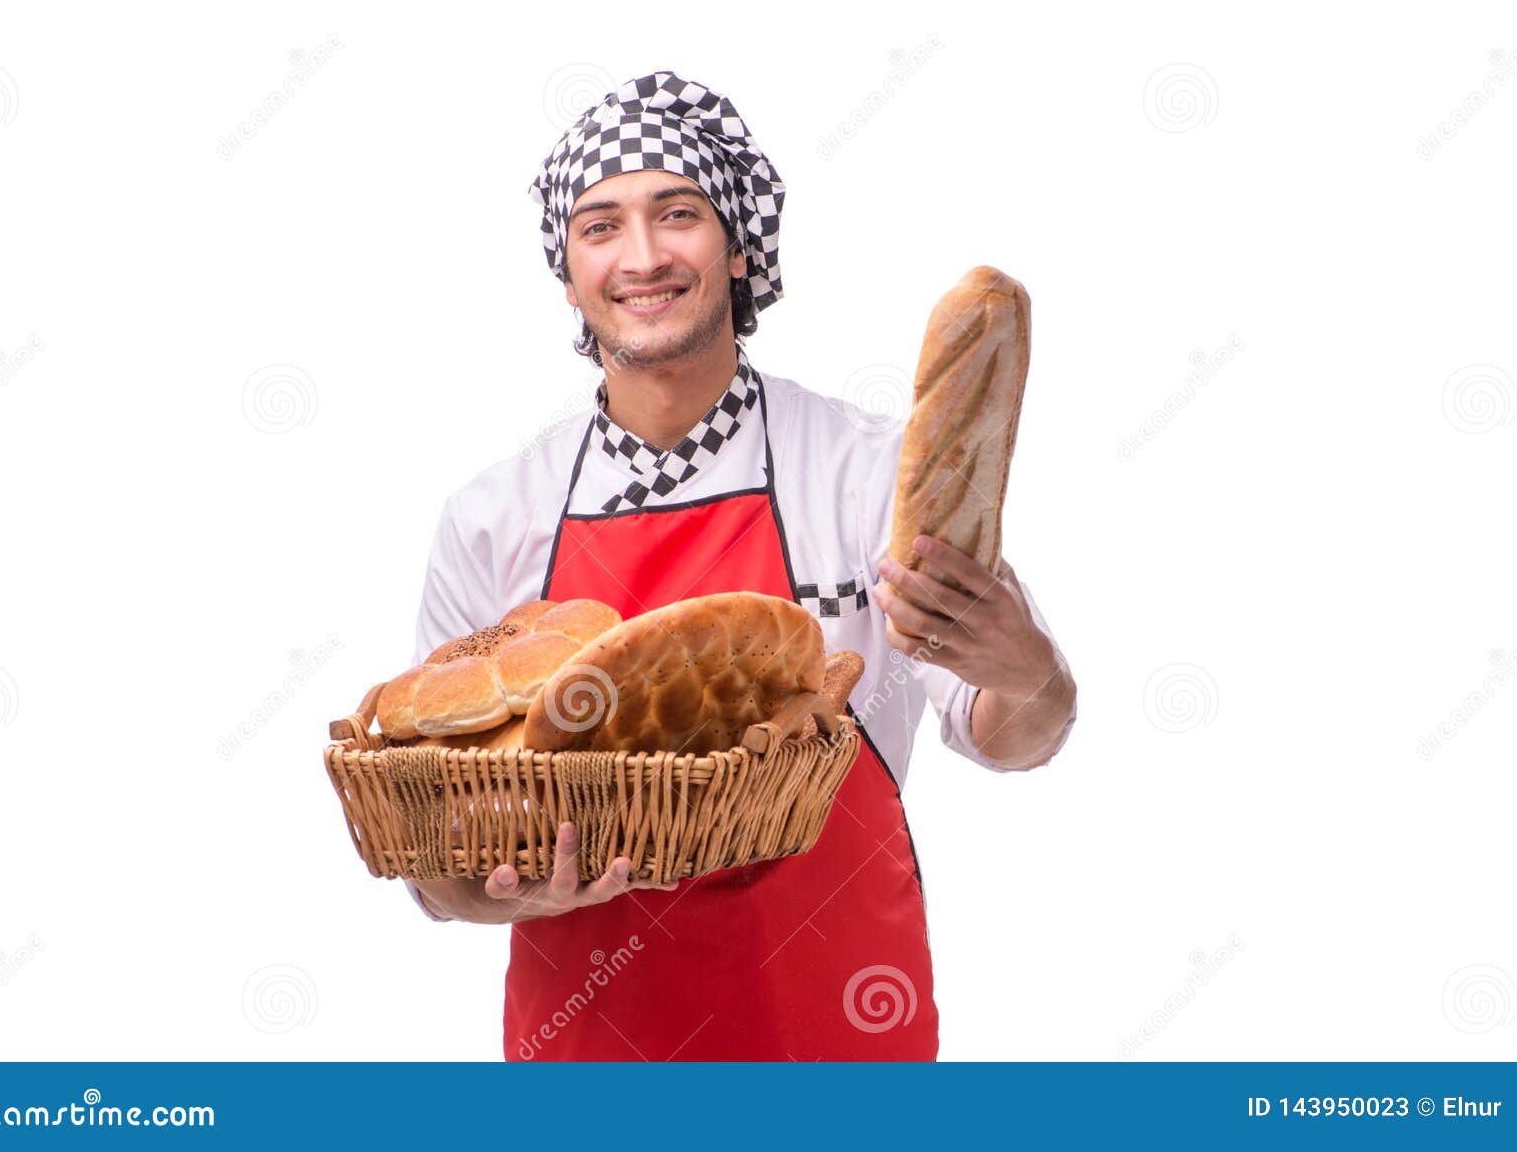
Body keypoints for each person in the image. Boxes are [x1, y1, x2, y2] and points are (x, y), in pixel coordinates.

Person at [405, 71, 1077, 1061]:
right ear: (568, 273)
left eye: (676, 214)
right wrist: (490, 887)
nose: (640, 257)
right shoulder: (492, 518)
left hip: (840, 1047)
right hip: (587, 1064)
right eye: (599, 226)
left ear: (736, 247)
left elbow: (1008, 735)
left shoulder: (859, 471)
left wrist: (1032, 674)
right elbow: (434, 859)